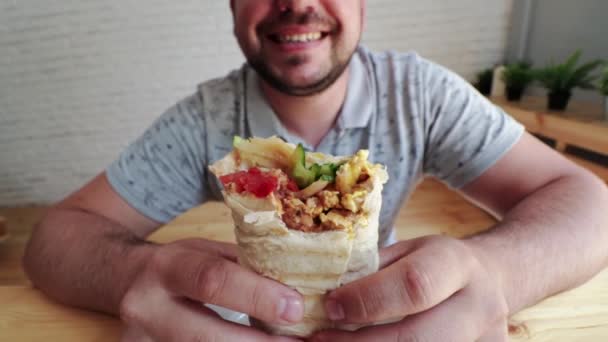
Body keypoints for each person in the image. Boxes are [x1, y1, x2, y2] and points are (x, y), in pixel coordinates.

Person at [24, 1, 608, 341]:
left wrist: (494, 271)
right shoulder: (207, 120)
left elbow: (588, 203)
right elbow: (55, 238)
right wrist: (137, 272)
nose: (295, 1)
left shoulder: (418, 95)